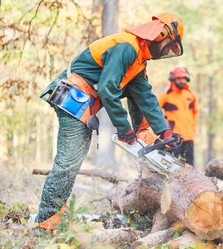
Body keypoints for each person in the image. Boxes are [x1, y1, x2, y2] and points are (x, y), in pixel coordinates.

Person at [36, 12, 185, 231]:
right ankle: (46, 221)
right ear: (160, 34)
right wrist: (124, 129)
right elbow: (107, 87)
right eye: (167, 46)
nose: (165, 52)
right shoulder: (127, 47)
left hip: (84, 100)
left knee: (139, 88)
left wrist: (164, 132)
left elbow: (145, 96)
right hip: (73, 96)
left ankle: (144, 132)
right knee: (68, 163)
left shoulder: (138, 60)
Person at [158, 67, 199, 166]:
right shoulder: (166, 96)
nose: (181, 81)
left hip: (188, 137)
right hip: (173, 138)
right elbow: (155, 111)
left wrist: (193, 128)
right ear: (173, 79)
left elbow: (195, 112)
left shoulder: (191, 95)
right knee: (171, 165)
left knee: (189, 166)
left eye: (183, 78)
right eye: (179, 78)